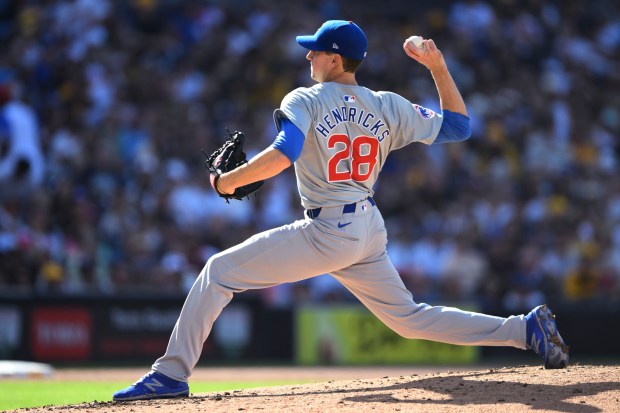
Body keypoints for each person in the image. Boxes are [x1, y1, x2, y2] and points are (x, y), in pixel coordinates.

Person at [113, 20, 569, 401]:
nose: (307, 58)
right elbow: (459, 127)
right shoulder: (387, 104)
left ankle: (171, 373)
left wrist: (227, 181)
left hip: (329, 229)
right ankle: (523, 330)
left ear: (334, 58)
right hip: (367, 226)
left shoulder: (305, 98)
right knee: (408, 319)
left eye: (314, 52)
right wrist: (439, 68)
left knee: (217, 271)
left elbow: (285, 151)